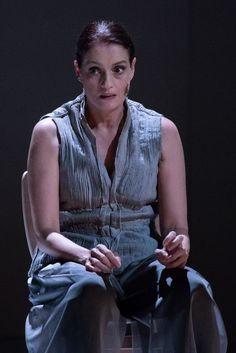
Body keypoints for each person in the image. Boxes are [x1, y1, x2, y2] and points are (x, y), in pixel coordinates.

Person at [25, 20, 227, 353]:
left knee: (193, 289)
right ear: (78, 71)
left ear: (132, 69)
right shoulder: (51, 133)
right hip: (73, 267)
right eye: (94, 71)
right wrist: (84, 254)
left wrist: (179, 244)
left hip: (141, 267)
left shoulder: (162, 132)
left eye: (118, 69)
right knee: (91, 293)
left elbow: (176, 226)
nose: (107, 83)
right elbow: (46, 233)